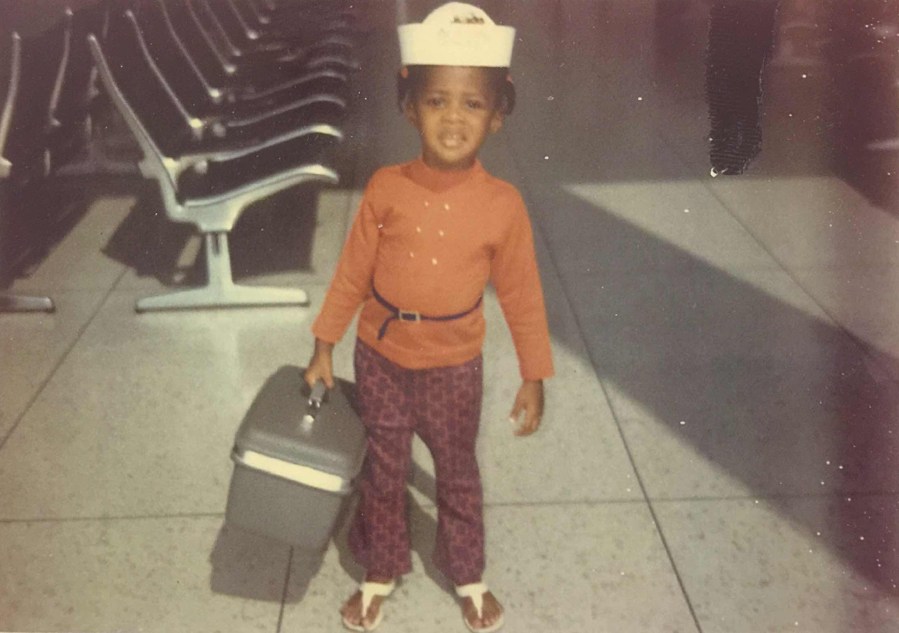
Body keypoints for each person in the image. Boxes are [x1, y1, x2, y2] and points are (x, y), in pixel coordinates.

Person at [304, 3, 553, 631]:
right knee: (383, 473)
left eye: (472, 105)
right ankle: (380, 569)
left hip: (454, 366)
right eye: (437, 101)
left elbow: (522, 293)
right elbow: (352, 274)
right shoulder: (386, 187)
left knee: (458, 473)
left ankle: (468, 574)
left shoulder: (504, 205)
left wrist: (534, 373)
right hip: (381, 356)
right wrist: (323, 345)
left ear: (497, 117)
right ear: (409, 106)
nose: (453, 119)